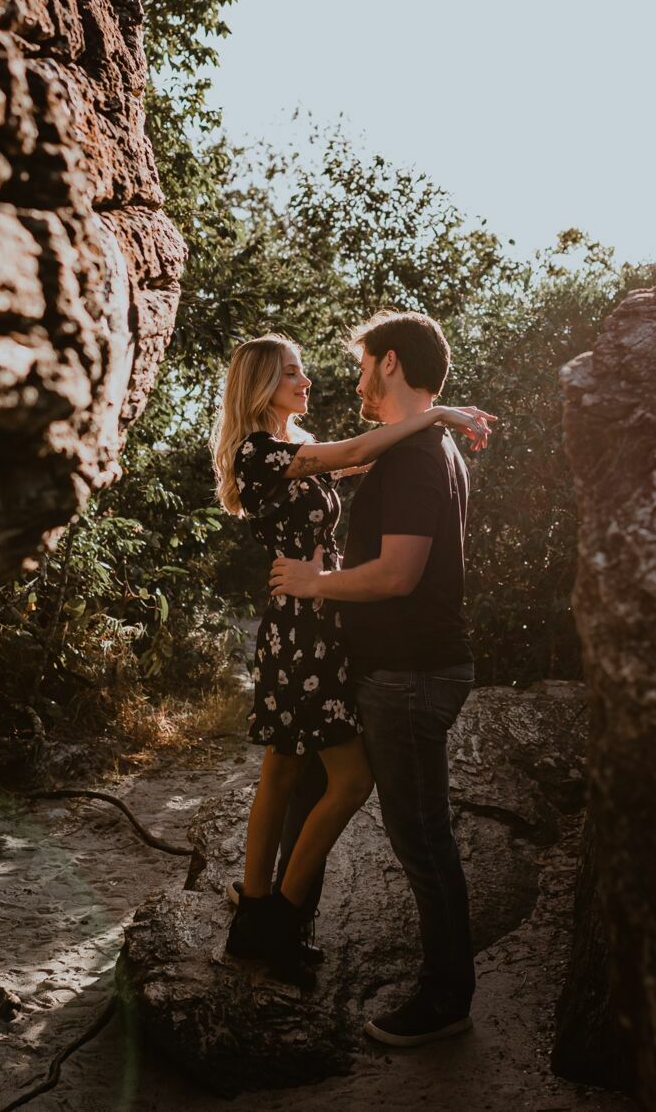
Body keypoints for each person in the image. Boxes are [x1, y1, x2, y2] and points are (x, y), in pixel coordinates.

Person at [210, 333, 492, 987]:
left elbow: (372, 459)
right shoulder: (264, 453)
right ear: (259, 385)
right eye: (292, 373)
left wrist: (428, 430)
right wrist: (442, 414)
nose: (307, 381)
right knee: (347, 781)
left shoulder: (295, 452)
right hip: (304, 622)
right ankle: (274, 920)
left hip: (313, 619)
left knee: (283, 772)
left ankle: (255, 919)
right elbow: (365, 450)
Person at [269, 309, 482, 1046]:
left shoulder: (422, 455)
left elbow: (397, 576)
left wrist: (313, 582)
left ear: (389, 363)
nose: (355, 379)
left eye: (362, 364)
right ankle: (278, 931)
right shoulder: (417, 446)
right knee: (332, 792)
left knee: (421, 835)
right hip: (394, 670)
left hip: (413, 674)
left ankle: (446, 1000)